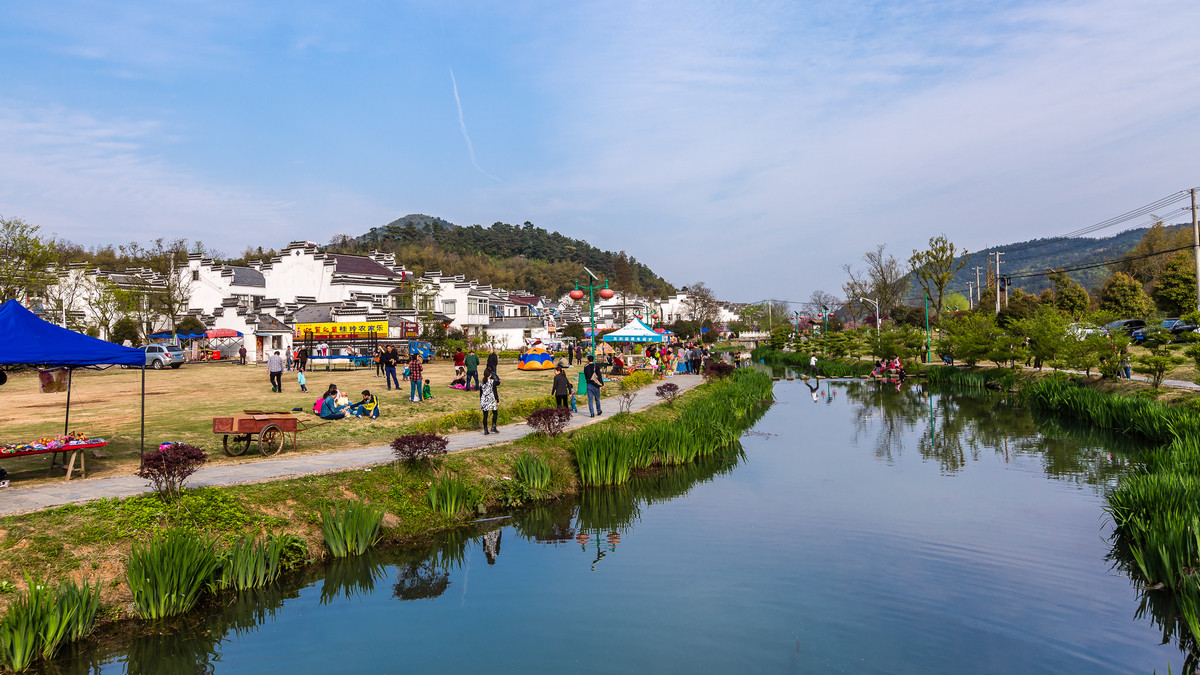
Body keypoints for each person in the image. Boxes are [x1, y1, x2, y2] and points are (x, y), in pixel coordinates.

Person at [480, 365, 500, 434]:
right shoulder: (492, 382)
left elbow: (481, 393)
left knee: (485, 415)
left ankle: (485, 429)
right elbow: (495, 391)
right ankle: (493, 426)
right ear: (490, 375)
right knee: (495, 413)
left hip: (484, 400)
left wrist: (481, 401)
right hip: (490, 400)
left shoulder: (482, 382)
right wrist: (497, 400)